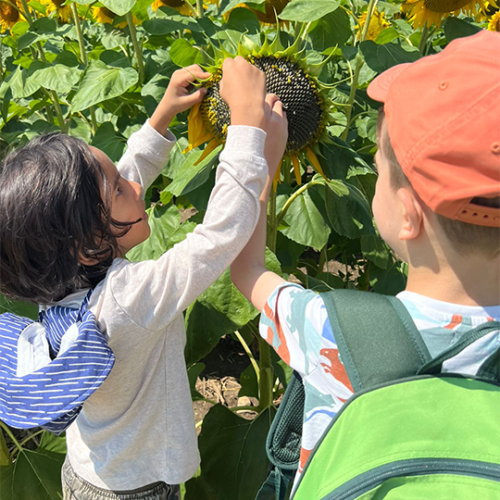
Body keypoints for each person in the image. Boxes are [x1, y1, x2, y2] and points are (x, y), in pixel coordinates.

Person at [0, 57, 287, 500]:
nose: (135, 188)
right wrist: (246, 130)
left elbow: (120, 179)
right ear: (86, 240)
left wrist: (163, 116)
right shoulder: (130, 299)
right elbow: (218, 236)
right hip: (137, 490)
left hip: (87, 470)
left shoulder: (56, 277)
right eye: (118, 189)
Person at [230, 29, 500, 493]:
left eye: (378, 168)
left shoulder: (334, 331)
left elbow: (247, 268)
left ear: (409, 217)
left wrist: (258, 149)